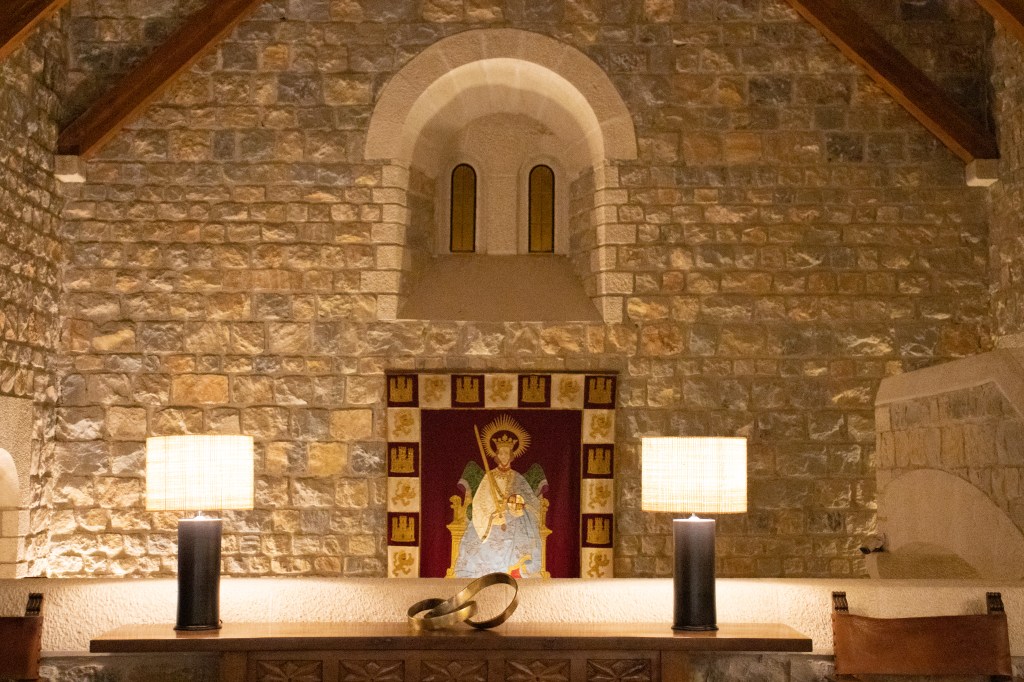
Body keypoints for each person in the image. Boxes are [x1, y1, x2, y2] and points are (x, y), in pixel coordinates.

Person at [453, 415, 546, 578]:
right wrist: (491, 516)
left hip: (514, 520)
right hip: (490, 520)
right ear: (496, 455)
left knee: (520, 530)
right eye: (501, 453)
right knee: (475, 541)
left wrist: (517, 508)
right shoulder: (489, 477)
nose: (503, 456)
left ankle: (517, 570)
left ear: (511, 455)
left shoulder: (517, 478)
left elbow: (529, 501)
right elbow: (480, 501)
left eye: (506, 453)